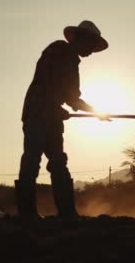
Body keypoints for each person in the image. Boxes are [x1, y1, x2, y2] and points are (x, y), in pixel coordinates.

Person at [16, 20, 109, 219]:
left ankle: (67, 212)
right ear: (81, 39)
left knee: (58, 161)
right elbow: (46, 81)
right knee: (32, 159)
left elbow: (71, 98)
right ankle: (27, 214)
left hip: (52, 118)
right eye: (91, 46)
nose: (92, 51)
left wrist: (96, 111)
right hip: (37, 113)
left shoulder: (74, 64)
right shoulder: (57, 50)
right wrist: (53, 107)